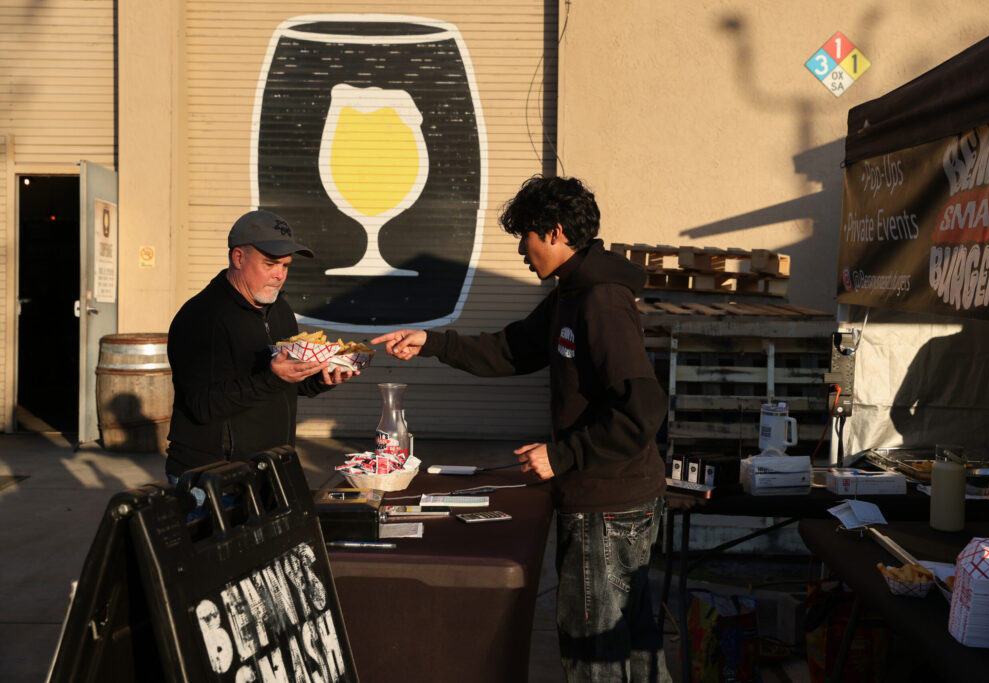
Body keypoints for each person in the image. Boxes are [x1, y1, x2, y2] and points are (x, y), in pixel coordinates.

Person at [371, 176, 671, 681]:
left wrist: (563, 455)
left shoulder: (600, 301)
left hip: (608, 505)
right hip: (611, 497)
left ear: (554, 233)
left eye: (525, 237)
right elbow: (510, 350)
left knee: (595, 656)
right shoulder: (569, 295)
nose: (521, 251)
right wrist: (433, 342)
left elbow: (642, 408)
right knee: (633, 651)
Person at [165, 210, 357, 501]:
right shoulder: (202, 317)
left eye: (285, 265)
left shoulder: (279, 310)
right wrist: (272, 378)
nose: (279, 275)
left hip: (267, 473)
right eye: (270, 264)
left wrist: (321, 379)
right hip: (212, 481)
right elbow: (202, 405)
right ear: (239, 258)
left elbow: (286, 385)